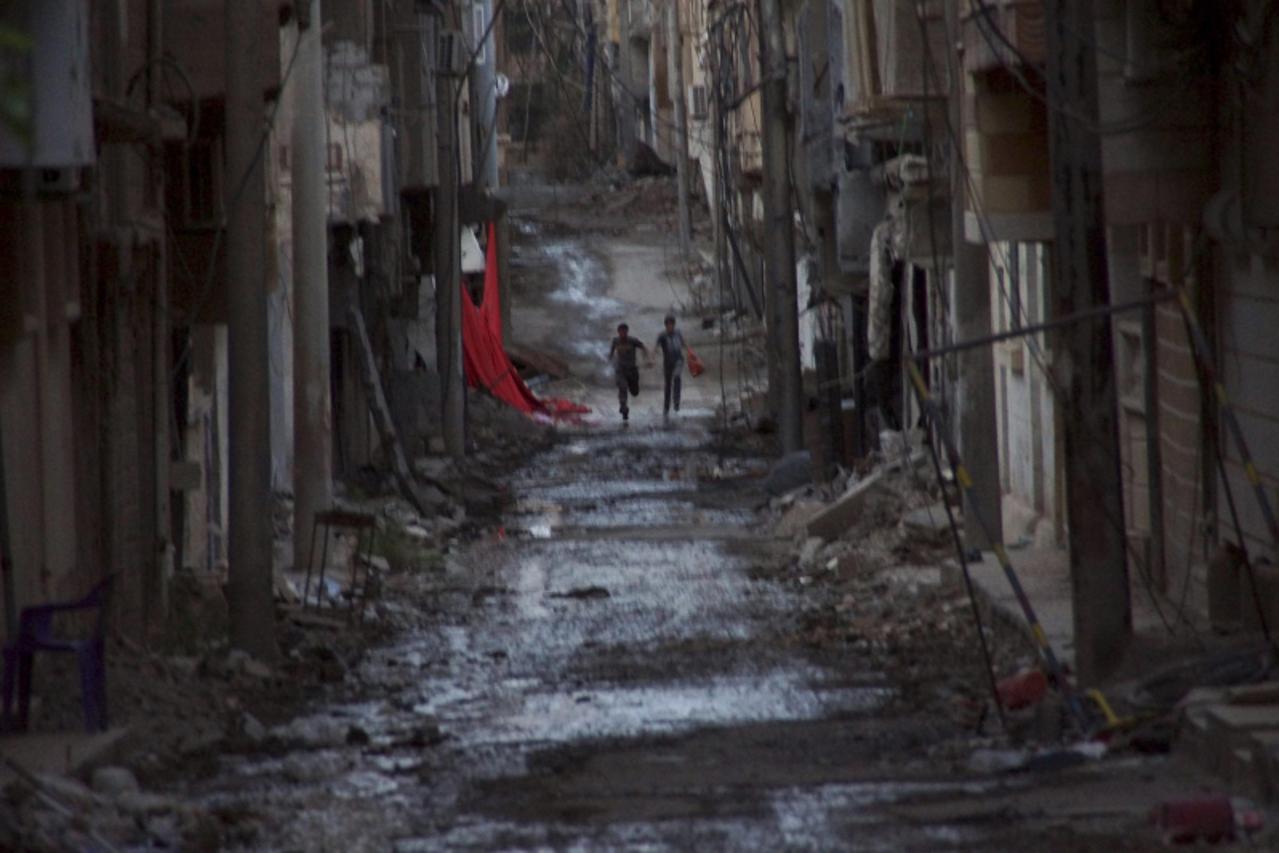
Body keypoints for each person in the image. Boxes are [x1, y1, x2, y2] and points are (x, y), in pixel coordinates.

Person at [608, 323, 651, 422]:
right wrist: (610, 362)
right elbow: (611, 353)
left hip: (632, 370)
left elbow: (644, 347)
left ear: (627, 332)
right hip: (620, 370)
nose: (623, 333)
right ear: (618, 332)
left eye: (624, 331)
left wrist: (648, 359)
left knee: (635, 392)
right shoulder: (615, 341)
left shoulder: (632, 340)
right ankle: (624, 408)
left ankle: (624, 405)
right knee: (622, 387)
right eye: (621, 331)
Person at [655, 314, 686, 421]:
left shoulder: (678, 333)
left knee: (677, 378)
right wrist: (652, 357)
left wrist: (691, 354)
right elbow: (656, 347)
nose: (670, 327)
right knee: (668, 385)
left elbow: (683, 344)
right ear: (665, 325)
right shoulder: (662, 336)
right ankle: (666, 407)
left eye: (671, 324)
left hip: (678, 360)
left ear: (674, 324)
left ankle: (676, 403)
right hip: (667, 363)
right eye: (668, 325)